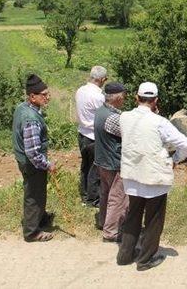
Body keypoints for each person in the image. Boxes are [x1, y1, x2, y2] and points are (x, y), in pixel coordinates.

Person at [117, 82, 187, 271]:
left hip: (131, 175)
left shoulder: (124, 117)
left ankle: (125, 255)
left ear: (136, 97)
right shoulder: (160, 122)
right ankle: (145, 259)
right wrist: (175, 159)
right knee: (153, 220)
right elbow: (186, 145)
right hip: (154, 177)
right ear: (156, 100)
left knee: (133, 215)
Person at [12, 74, 57, 242]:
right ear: (32, 97)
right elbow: (32, 153)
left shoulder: (21, 108)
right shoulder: (31, 119)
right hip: (32, 164)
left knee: (38, 191)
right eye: (44, 94)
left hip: (23, 159)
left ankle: (41, 217)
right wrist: (48, 165)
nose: (48, 97)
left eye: (47, 93)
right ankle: (32, 232)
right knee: (33, 195)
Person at [94, 82, 129, 243]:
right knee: (118, 198)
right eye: (123, 95)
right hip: (114, 162)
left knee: (105, 194)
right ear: (117, 97)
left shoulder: (100, 111)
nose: (125, 98)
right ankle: (111, 232)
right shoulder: (113, 118)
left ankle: (103, 221)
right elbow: (131, 135)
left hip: (102, 160)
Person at [75, 65, 107, 206]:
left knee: (85, 165)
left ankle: (84, 193)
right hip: (94, 136)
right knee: (96, 168)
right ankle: (93, 199)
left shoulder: (80, 91)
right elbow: (104, 117)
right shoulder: (99, 97)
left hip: (82, 133)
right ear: (102, 79)